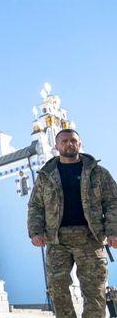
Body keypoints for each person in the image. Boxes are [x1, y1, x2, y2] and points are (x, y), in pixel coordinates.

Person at [28, 128, 117, 318]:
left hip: (90, 239)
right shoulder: (46, 176)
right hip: (57, 241)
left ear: (80, 143)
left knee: (94, 292)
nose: (69, 144)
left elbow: (112, 202)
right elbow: (35, 206)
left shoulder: (98, 173)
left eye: (73, 141)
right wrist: (35, 231)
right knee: (57, 290)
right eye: (65, 141)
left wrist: (113, 231)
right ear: (57, 146)